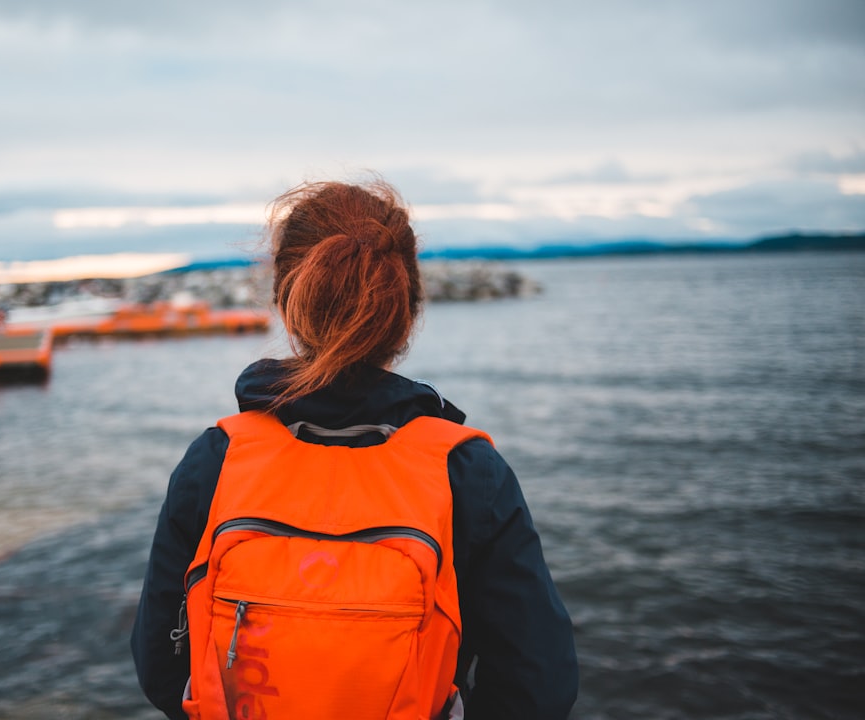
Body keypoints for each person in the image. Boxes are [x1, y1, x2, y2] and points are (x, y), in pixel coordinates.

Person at [130, 178, 578, 719]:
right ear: (407, 311)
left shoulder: (218, 459)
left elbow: (160, 663)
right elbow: (539, 685)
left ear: (285, 300)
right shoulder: (465, 470)